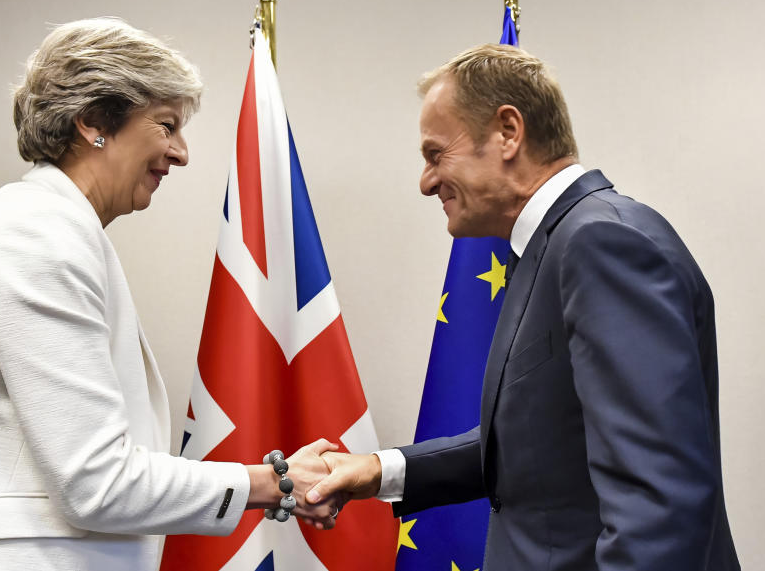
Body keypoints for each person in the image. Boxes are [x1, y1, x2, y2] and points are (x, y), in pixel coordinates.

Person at [0, 17, 338, 571]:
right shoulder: (39, 236)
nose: (181, 152)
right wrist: (274, 483)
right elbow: (94, 481)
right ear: (94, 124)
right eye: (166, 125)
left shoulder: (53, 226)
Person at [306, 44, 741, 570]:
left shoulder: (600, 244)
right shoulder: (555, 246)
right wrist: (378, 471)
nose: (425, 182)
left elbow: (657, 502)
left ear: (508, 132)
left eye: (435, 154)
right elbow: (540, 440)